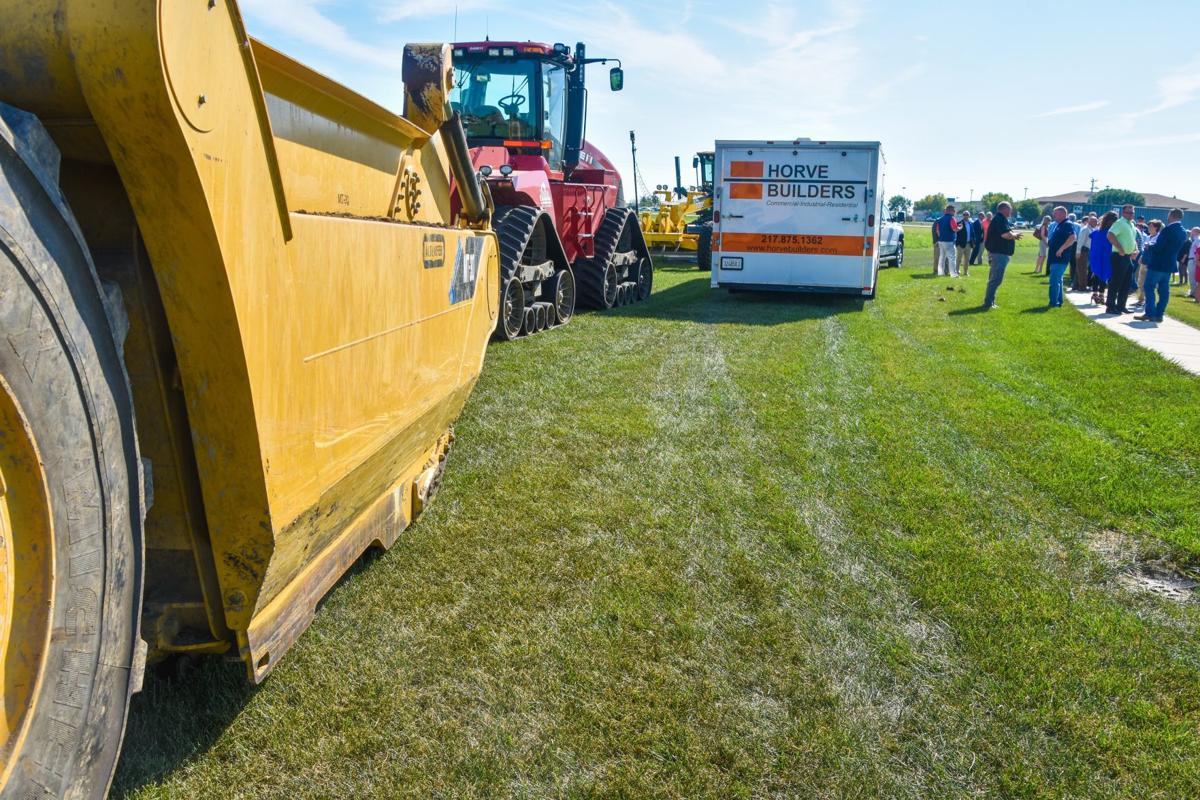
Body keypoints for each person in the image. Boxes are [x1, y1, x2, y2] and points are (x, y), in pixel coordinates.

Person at [1136, 209, 1189, 322]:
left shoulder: (1168, 230)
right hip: (1170, 263)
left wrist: (1149, 246)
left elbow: (1159, 247)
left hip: (1158, 263)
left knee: (1149, 287)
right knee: (1164, 290)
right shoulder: (1183, 231)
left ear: (1172, 215)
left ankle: (1150, 313)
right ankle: (1159, 314)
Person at [982, 201, 1023, 308]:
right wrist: (1014, 235)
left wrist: (1013, 235)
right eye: (1010, 209)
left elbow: (1006, 233)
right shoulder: (1000, 219)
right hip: (998, 254)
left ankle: (990, 302)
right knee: (996, 279)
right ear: (1004, 209)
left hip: (998, 253)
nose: (1011, 211)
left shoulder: (1000, 219)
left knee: (994, 279)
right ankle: (988, 302)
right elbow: (1005, 234)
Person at [1106, 204, 1138, 314]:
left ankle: (1121, 306)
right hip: (1119, 256)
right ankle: (1110, 306)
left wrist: (1135, 249)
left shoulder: (1131, 224)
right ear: (1123, 213)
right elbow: (1110, 235)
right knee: (1116, 282)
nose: (1131, 214)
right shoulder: (1120, 223)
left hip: (1127, 256)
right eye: (1128, 212)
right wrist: (1120, 248)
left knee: (1126, 283)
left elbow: (1132, 239)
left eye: (1132, 212)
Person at [1045, 206, 1077, 308]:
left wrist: (1061, 249)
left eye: (1056, 214)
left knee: (1054, 280)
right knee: (1058, 280)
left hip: (1060, 257)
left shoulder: (1067, 224)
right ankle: (1058, 301)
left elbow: (1073, 237)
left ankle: (1053, 303)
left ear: (1063, 214)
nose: (1054, 216)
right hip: (1055, 257)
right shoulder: (1060, 224)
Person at [1134, 219, 1163, 308]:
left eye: (1151, 226)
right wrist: (1141, 257)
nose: (1149, 228)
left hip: (1151, 264)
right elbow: (1145, 249)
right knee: (1140, 282)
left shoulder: (1159, 238)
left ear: (1156, 228)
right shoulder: (1148, 237)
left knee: (1149, 284)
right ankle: (1141, 299)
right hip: (1144, 262)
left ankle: (1147, 301)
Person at [1090, 212, 1117, 306]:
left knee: (1098, 274)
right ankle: (1100, 294)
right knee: (1103, 274)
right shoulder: (1110, 232)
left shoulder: (1097, 232)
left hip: (1096, 255)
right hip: (1105, 255)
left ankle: (1096, 293)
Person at [935, 204, 959, 277]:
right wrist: (960, 228)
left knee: (942, 257)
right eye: (954, 211)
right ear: (950, 211)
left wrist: (941, 237)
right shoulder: (952, 218)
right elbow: (954, 229)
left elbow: (937, 231)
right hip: (949, 241)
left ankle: (940, 273)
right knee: (952, 258)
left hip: (941, 240)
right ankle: (953, 274)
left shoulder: (940, 219)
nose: (954, 212)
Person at [1073, 214, 1094, 292]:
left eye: (1096, 221)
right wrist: (1078, 252)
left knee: (1080, 269)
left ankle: (1076, 285)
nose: (1095, 223)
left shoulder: (1091, 229)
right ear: (1089, 221)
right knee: (1082, 269)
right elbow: (1080, 241)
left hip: (1088, 251)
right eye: (1093, 221)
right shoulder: (1085, 229)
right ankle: (1082, 287)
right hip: (1083, 251)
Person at [955, 209, 973, 276]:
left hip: (969, 244)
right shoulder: (959, 223)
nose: (966, 216)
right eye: (964, 214)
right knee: (958, 259)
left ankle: (965, 272)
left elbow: (973, 234)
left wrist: (973, 243)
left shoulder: (971, 224)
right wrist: (957, 244)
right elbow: (956, 234)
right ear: (963, 215)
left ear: (969, 215)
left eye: (967, 214)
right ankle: (956, 271)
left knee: (967, 260)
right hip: (960, 245)